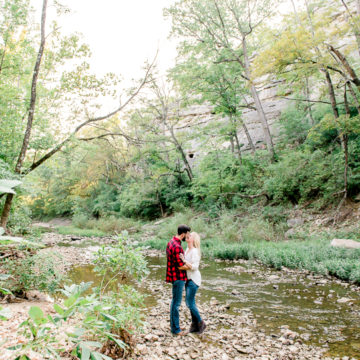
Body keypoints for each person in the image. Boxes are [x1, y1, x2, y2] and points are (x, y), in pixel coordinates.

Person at [166, 224, 191, 335]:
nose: (188, 236)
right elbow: (180, 266)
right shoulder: (177, 247)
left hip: (173, 276)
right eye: (188, 234)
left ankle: (173, 326)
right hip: (178, 277)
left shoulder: (171, 242)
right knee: (176, 304)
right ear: (183, 234)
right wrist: (192, 266)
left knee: (174, 303)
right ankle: (176, 330)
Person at [179, 232, 206, 334]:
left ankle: (201, 322)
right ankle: (194, 326)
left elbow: (195, 267)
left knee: (189, 303)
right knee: (191, 302)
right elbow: (185, 262)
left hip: (194, 280)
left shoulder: (195, 251)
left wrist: (184, 261)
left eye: (189, 236)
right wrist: (182, 258)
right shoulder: (187, 249)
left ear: (193, 240)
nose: (187, 236)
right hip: (188, 279)